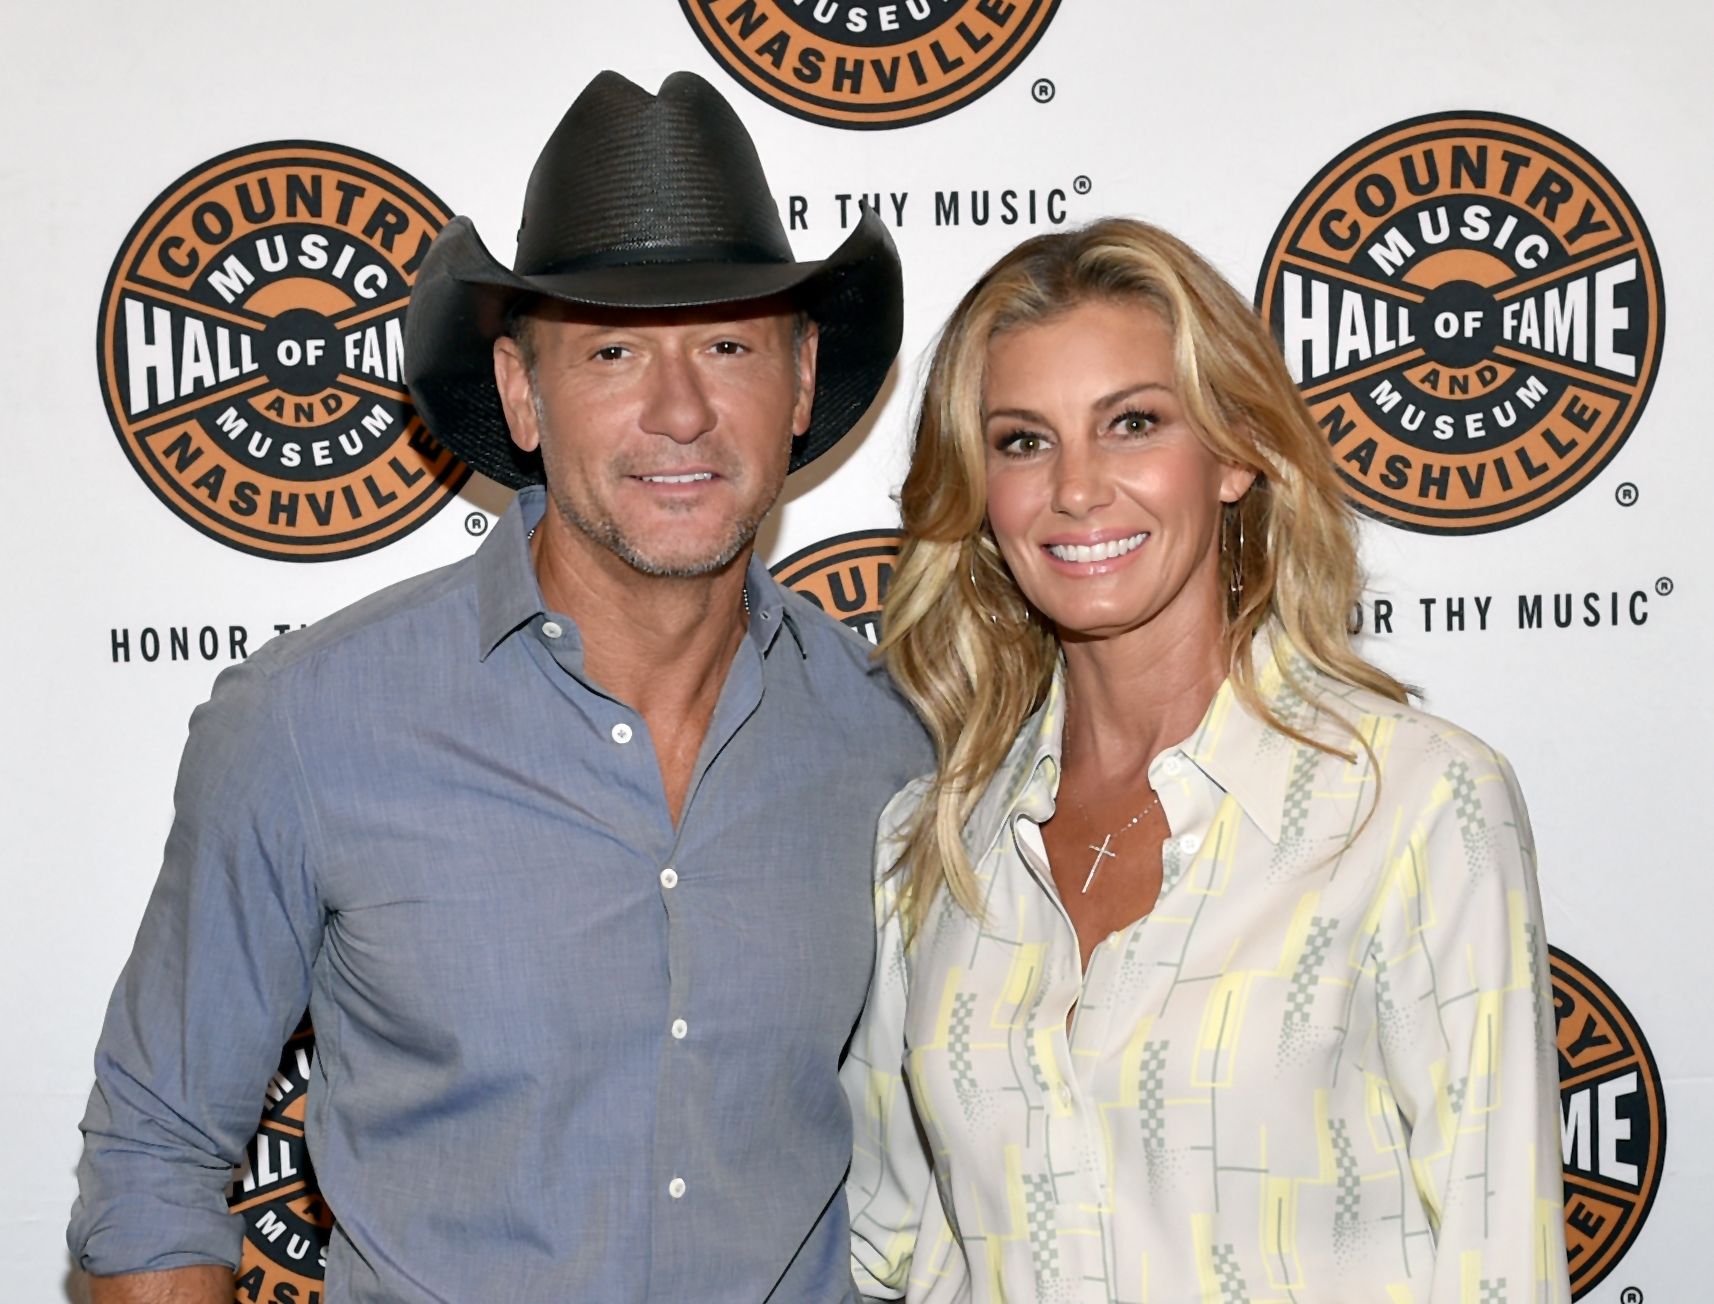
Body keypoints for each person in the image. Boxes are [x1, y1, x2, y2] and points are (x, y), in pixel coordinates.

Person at [69, 70, 929, 1303]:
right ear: (523, 395)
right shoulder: (310, 726)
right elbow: (155, 1161)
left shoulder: (887, 739)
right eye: (615, 350)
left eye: (729, 344)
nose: (681, 410)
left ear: (798, 385)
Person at [842, 219, 1570, 1301]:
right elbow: (884, 1240)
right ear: (982, 497)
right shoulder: (931, 845)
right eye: (1022, 440)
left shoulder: (1412, 803)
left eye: (1131, 423)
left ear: (1233, 455)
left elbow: (1498, 1251)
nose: (1076, 489)